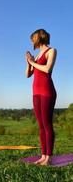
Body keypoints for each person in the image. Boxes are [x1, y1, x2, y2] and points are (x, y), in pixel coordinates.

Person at [25, 29, 57, 165]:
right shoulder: (37, 56)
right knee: (40, 126)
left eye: (33, 38)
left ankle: (49, 157)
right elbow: (28, 75)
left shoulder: (51, 51)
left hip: (47, 91)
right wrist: (29, 62)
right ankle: (43, 156)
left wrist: (33, 62)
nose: (32, 41)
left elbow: (47, 69)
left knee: (47, 124)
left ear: (39, 38)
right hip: (36, 93)